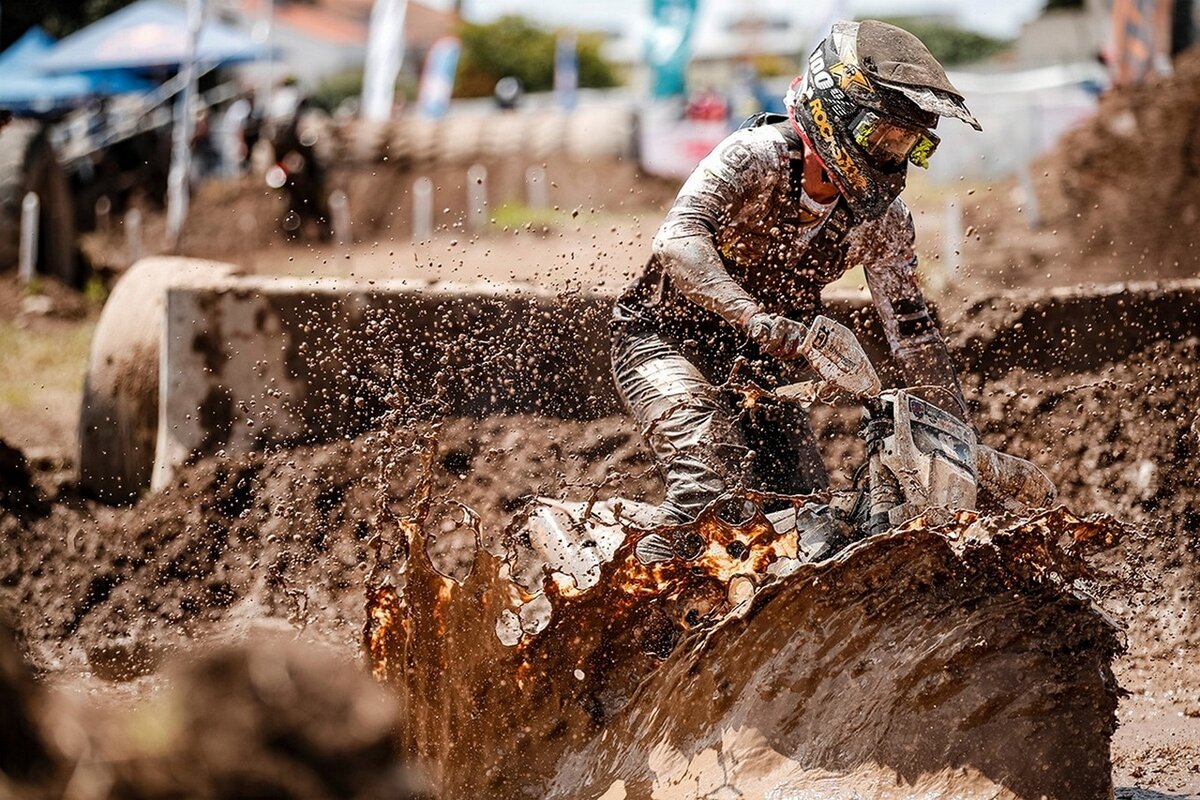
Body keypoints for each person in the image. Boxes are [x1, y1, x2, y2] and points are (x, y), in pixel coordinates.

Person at [610, 20, 982, 561]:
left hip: (762, 367)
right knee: (708, 480)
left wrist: (956, 440)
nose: (891, 157)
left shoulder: (884, 222)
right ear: (836, 112)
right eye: (882, 137)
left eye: (908, 145)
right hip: (663, 338)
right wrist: (754, 317)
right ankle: (633, 612)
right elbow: (679, 239)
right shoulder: (753, 156)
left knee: (808, 517)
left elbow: (913, 334)